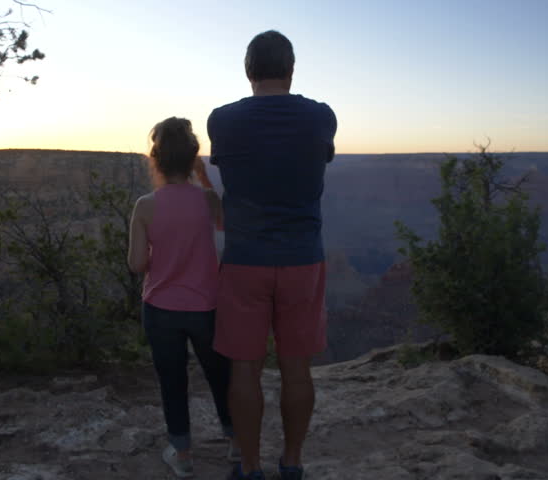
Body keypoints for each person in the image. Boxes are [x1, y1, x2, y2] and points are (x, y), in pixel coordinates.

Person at [207, 30, 337, 480]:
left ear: (248, 71)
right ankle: (293, 463)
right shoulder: (321, 117)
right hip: (303, 259)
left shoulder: (221, 121)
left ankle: (249, 467)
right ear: (291, 69)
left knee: (244, 367)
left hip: (244, 260)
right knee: (296, 367)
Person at [127, 117, 237, 478]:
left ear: (156, 159)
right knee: (220, 375)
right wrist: (204, 177)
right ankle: (236, 442)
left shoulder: (145, 206)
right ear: (192, 157)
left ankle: (183, 454)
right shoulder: (206, 201)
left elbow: (137, 263)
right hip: (206, 306)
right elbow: (225, 225)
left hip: (161, 309)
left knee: (172, 381)